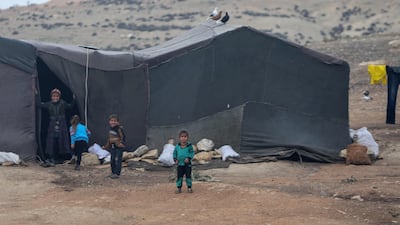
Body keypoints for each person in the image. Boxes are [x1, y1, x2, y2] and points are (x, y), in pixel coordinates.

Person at [37, 88, 75, 166]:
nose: (55, 98)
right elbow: (39, 104)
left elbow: (70, 106)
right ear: (51, 97)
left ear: (59, 97)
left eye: (57, 96)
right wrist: (36, 95)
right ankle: (52, 157)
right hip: (52, 123)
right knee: (52, 140)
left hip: (62, 123)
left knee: (62, 139)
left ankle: (65, 157)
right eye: (53, 96)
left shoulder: (63, 103)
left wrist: (74, 99)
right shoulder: (49, 104)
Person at [102, 114, 125, 179]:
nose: (113, 122)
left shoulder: (119, 129)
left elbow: (122, 137)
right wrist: (106, 146)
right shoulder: (110, 130)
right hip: (112, 147)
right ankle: (113, 172)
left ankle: (117, 173)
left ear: (118, 122)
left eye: (115, 121)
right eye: (112, 121)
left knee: (117, 160)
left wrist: (120, 143)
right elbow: (109, 139)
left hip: (119, 147)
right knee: (112, 160)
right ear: (109, 122)